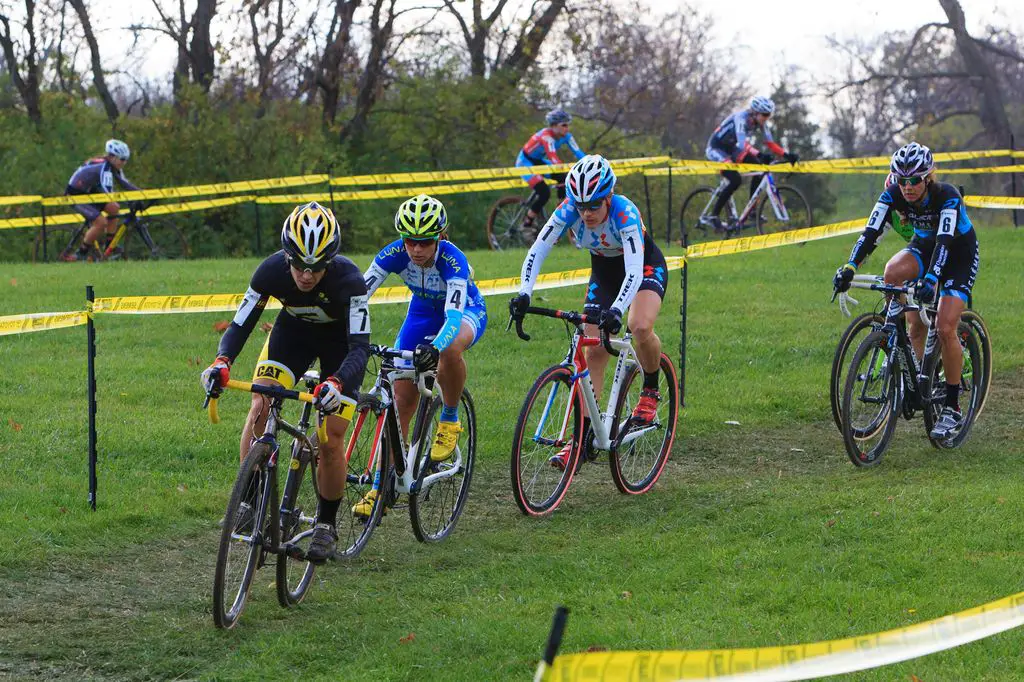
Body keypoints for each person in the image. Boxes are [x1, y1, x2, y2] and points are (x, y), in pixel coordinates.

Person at [200, 201, 371, 564]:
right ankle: (248, 501)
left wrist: (337, 383)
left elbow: (360, 347)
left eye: (316, 267)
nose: (306, 276)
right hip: (291, 336)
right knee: (260, 405)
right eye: (298, 265)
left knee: (331, 436)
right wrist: (222, 362)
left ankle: (325, 525)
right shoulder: (270, 272)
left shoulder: (351, 282)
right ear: (286, 255)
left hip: (339, 348)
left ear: (330, 262)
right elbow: (242, 323)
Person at [508, 154, 668, 470]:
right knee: (593, 349)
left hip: (644, 268)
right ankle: (581, 440)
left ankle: (650, 388)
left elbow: (634, 270)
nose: (586, 213)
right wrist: (524, 292)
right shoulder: (569, 209)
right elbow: (537, 249)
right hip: (605, 273)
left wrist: (619, 309)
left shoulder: (625, 213)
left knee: (638, 326)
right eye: (581, 206)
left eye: (594, 205)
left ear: (608, 197)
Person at [832, 142, 979, 440]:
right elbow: (870, 233)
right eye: (902, 181)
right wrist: (850, 266)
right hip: (926, 246)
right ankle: (898, 344)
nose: (908, 187)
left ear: (927, 178)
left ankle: (952, 407)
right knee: (893, 276)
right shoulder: (893, 194)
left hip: (957, 252)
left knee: (945, 325)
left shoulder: (947, 196)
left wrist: (933, 277)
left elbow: (945, 241)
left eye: (914, 181)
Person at [354, 194, 488, 516]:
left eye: (425, 242)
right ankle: (379, 486)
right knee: (399, 401)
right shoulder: (393, 254)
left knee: (449, 350)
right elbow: (358, 295)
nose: (416, 249)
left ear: (440, 236)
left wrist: (434, 348)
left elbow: (453, 319)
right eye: (410, 241)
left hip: (464, 311)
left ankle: (450, 419)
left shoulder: (453, 260)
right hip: (423, 312)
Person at [703, 96, 799, 231]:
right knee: (735, 180)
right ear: (755, 113)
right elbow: (742, 144)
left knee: (758, 167)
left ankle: (752, 211)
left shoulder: (761, 123)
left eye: (769, 115)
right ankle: (714, 215)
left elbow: (770, 143)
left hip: (731, 147)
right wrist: (760, 154)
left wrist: (787, 155)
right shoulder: (741, 118)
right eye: (765, 115)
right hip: (716, 148)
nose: (767, 118)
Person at [62, 139, 141, 261]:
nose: (124, 162)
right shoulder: (104, 167)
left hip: (89, 192)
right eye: (122, 159)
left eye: (126, 160)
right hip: (75, 194)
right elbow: (107, 189)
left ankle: (110, 245)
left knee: (114, 208)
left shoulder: (112, 167)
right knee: (101, 222)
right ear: (113, 157)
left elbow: (125, 184)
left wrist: (142, 194)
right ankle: (81, 252)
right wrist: (128, 200)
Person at [515, 108, 586, 234]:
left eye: (568, 125)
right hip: (524, 162)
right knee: (544, 192)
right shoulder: (546, 137)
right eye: (563, 125)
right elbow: (553, 158)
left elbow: (578, 153)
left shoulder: (567, 136)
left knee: (564, 177)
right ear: (553, 126)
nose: (567, 128)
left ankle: (562, 209)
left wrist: (591, 163)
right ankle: (527, 223)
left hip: (538, 161)